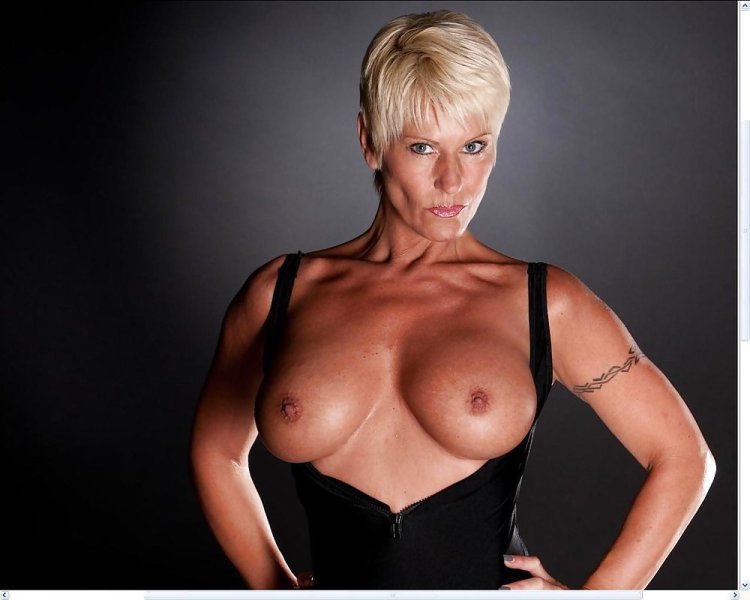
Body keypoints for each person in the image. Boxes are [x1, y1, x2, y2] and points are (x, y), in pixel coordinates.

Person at [189, 9, 716, 590]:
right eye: (422, 147)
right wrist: (274, 587)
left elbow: (684, 457)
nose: (453, 180)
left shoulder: (544, 303)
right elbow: (217, 453)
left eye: (473, 146)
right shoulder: (280, 294)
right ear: (370, 143)